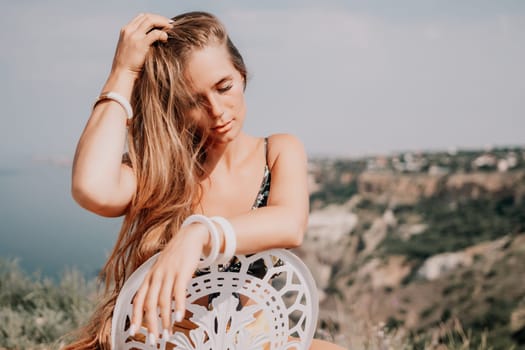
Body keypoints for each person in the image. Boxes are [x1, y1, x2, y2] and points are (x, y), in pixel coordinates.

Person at [66, 11, 345, 350]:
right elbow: (90, 188)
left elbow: (290, 224)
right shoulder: (159, 168)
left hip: (250, 340)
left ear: (241, 75)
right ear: (177, 106)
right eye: (194, 100)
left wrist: (199, 233)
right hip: (161, 342)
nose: (217, 111)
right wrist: (123, 73)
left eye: (224, 87)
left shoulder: (278, 151)